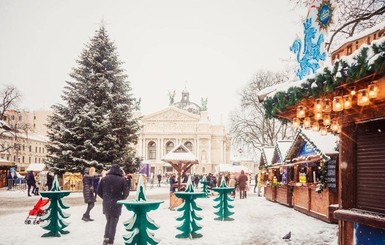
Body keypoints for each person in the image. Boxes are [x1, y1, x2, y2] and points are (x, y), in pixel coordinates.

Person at [97, 164, 129, 245]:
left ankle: (106, 239)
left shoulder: (104, 179)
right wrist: (121, 199)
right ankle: (111, 241)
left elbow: (98, 191)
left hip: (106, 203)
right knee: (113, 223)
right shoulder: (122, 180)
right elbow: (126, 192)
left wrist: (105, 197)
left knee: (108, 221)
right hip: (117, 203)